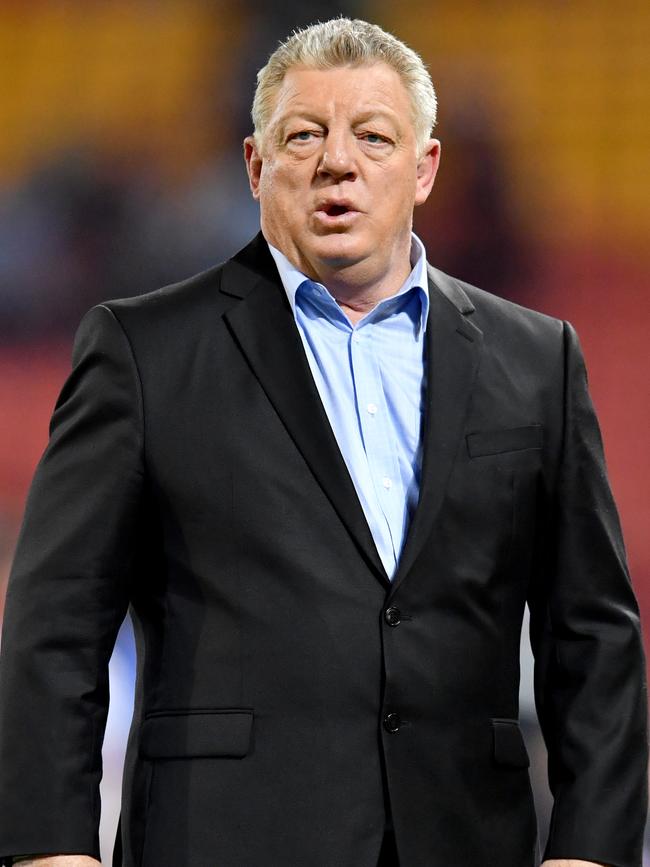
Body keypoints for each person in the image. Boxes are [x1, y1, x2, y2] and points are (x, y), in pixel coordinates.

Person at [0, 17, 646, 867]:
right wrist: (51, 852)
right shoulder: (142, 352)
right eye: (303, 135)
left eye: (373, 136)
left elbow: (594, 636)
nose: (337, 160)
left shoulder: (538, 360)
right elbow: (55, 625)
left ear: (425, 169)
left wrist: (591, 851)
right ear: (256, 166)